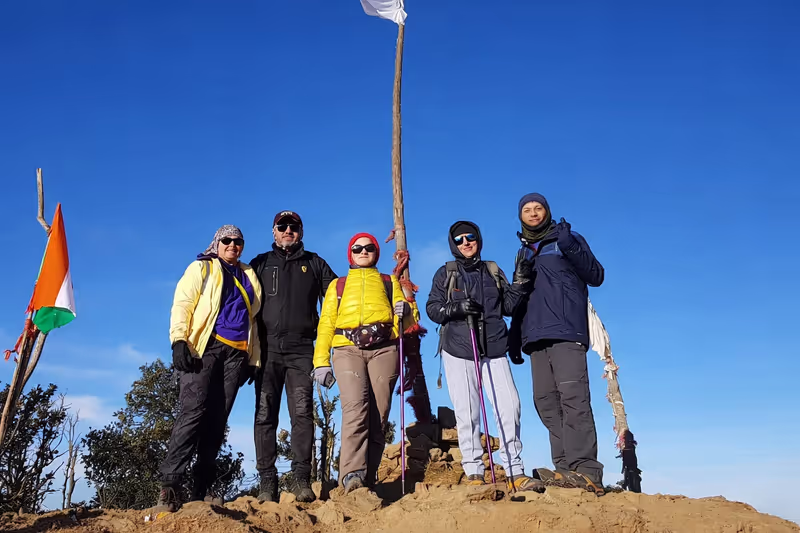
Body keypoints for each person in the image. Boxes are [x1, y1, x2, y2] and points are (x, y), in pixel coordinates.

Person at [426, 221, 543, 492]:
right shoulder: (446, 273)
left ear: (478, 239)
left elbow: (509, 306)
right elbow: (433, 308)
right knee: (468, 412)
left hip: (493, 347)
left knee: (509, 405)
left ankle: (515, 469)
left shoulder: (492, 270)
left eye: (470, 237)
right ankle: (474, 470)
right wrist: (455, 308)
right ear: (453, 245)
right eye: (459, 240)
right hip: (459, 348)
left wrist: (521, 281)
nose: (465, 242)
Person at [158, 225, 262, 512]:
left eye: (238, 241)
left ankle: (200, 489)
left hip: (236, 354)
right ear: (217, 243)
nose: (232, 245)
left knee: (217, 420)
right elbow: (183, 303)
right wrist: (178, 339)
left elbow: (253, 320)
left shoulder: (249, 275)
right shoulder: (201, 268)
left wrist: (253, 359)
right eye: (226, 241)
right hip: (204, 348)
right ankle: (170, 487)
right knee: (192, 412)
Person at [509, 192, 606, 495]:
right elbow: (519, 299)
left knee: (573, 399)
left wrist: (570, 246)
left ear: (547, 212)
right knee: (546, 403)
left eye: (538, 208)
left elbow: (596, 275)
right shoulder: (523, 253)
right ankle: (565, 470)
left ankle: (587, 470)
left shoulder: (568, 238)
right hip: (535, 338)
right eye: (527, 210)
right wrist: (515, 336)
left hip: (566, 332)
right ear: (521, 216)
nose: (534, 213)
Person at [312, 233, 418, 493]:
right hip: (346, 349)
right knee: (355, 410)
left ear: (376, 253)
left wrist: (406, 310)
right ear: (350, 253)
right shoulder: (338, 285)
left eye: (369, 248)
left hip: (384, 349)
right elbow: (326, 324)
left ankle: (368, 477)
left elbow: (410, 320)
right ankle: (352, 475)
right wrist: (320, 362)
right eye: (357, 248)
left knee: (379, 414)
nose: (363, 251)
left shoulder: (389, 282)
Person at [249, 211, 337, 503]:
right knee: (264, 416)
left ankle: (301, 480)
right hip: (267, 349)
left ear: (301, 232)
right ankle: (266, 484)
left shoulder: (314, 263)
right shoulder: (260, 263)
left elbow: (340, 297)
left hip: (302, 350)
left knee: (301, 414)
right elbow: (237, 302)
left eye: (294, 227)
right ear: (273, 232)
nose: (288, 231)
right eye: (282, 227)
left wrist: (390, 286)